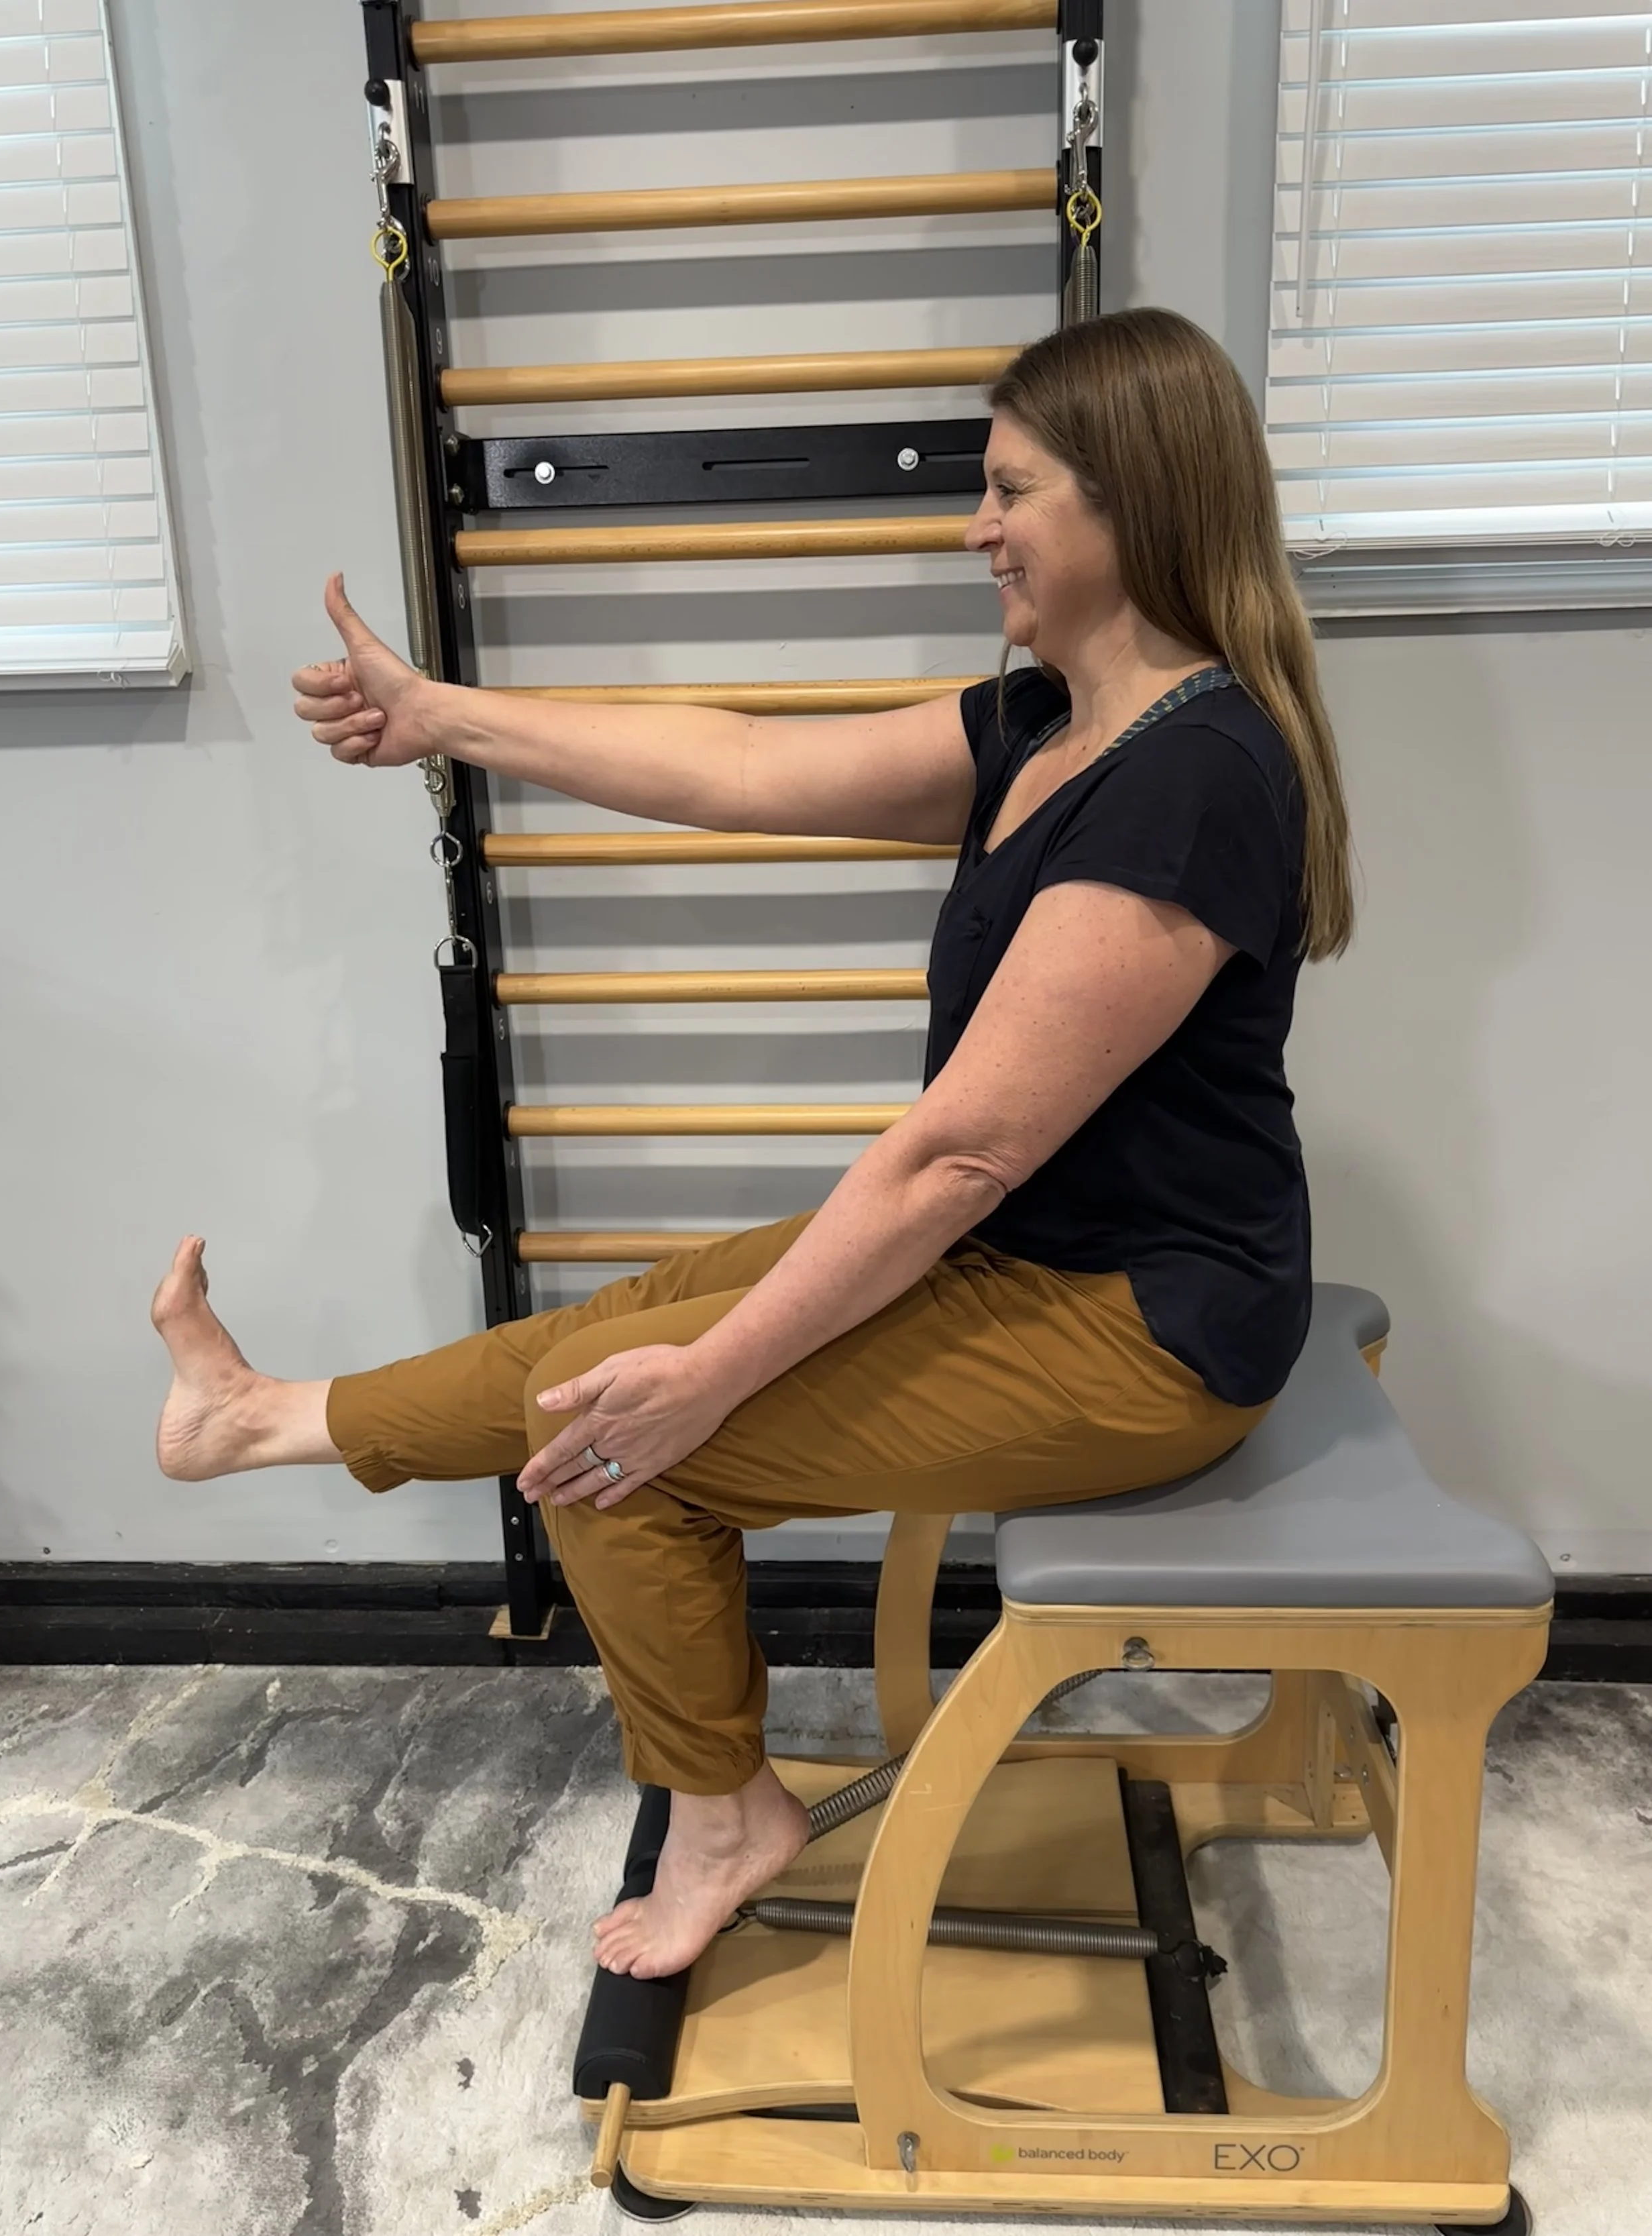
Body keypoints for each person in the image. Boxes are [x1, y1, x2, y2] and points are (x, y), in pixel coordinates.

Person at [150, 307, 1352, 1984]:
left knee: (618, 1435)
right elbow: (738, 767)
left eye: (1010, 491)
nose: (975, 527)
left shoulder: (1195, 776)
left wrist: (709, 1381)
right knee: (618, 1334)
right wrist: (445, 717)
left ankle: (726, 1812)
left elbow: (957, 1156)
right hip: (1023, 1263)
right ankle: (265, 1416)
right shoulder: (1051, 725)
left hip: (1143, 1327)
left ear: (1130, 500)